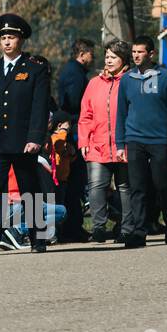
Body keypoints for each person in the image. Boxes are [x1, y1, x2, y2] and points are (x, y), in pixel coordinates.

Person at [0, 14, 52, 256]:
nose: (7, 42)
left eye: (12, 37)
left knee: (30, 189)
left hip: (23, 141)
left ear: (21, 40)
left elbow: (40, 107)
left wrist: (36, 137)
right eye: (3, 37)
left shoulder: (35, 69)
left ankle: (38, 238)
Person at [115, 36, 167, 249]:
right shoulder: (127, 79)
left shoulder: (166, 77)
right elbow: (121, 113)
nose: (136, 55)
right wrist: (120, 144)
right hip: (134, 139)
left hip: (159, 140)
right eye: (134, 52)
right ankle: (139, 231)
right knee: (138, 187)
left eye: (140, 52)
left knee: (162, 184)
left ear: (151, 54)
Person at [78, 40, 132, 243]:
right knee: (96, 186)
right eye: (107, 56)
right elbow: (86, 115)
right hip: (97, 144)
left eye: (113, 57)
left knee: (125, 187)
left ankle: (127, 228)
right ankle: (99, 228)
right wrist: (83, 140)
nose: (108, 61)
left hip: (123, 144)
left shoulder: (131, 81)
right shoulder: (94, 83)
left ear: (124, 60)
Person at [54, 38, 94, 242]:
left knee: (75, 184)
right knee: (75, 183)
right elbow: (72, 101)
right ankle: (72, 228)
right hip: (75, 130)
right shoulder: (75, 74)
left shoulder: (73, 71)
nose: (93, 58)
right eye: (91, 54)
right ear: (82, 54)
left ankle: (73, 226)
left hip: (75, 128)